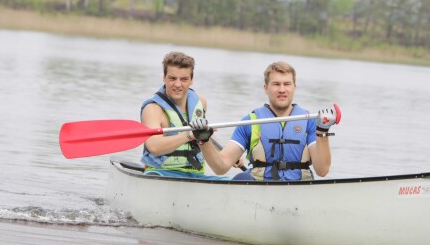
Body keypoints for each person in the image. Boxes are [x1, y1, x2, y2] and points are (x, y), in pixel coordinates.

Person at [190, 61, 339, 181]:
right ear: (266, 88)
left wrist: (323, 132)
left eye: (287, 84)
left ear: (294, 88)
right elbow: (220, 167)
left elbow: (322, 170)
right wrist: (204, 141)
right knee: (240, 178)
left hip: (298, 188)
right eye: (276, 84)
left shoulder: (310, 122)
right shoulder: (250, 122)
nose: (282, 90)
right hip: (261, 188)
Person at [140, 51, 217, 177]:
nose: (177, 84)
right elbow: (154, 146)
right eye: (172, 78)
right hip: (160, 172)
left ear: (191, 80)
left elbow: (201, 136)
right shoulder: (153, 109)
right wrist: (189, 135)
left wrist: (218, 146)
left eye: (184, 79)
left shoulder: (200, 102)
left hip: (196, 173)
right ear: (164, 78)